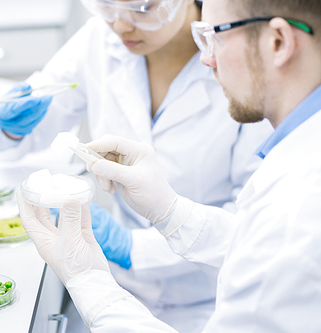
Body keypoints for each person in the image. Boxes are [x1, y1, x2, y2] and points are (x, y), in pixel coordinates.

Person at [17, 0, 321, 331]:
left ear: (278, 42)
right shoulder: (299, 151)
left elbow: (274, 246)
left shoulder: (299, 208)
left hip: (196, 305)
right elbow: (254, 248)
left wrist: (88, 281)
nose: (207, 58)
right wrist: (171, 212)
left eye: (214, 36)